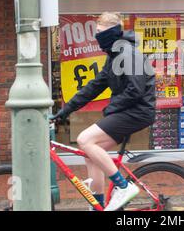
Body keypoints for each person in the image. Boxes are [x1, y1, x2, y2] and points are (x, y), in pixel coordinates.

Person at [50, 12, 156, 211]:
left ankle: (123, 187)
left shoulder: (128, 54)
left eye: (100, 32)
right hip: (127, 110)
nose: (97, 37)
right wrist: (65, 110)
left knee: (84, 139)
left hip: (138, 111)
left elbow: (136, 89)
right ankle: (97, 206)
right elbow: (95, 86)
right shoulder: (115, 55)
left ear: (113, 33)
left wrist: (112, 108)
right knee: (90, 152)